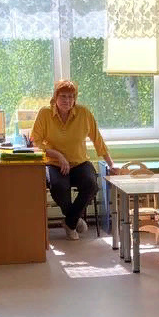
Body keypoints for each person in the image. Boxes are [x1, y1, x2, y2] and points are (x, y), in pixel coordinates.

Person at [31, 80, 116, 240]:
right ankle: (75, 220)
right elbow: (36, 141)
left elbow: (97, 140)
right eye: (63, 96)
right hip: (54, 164)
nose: (67, 100)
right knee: (59, 187)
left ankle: (70, 222)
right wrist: (58, 155)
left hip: (79, 162)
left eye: (71, 97)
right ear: (55, 97)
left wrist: (111, 164)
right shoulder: (45, 113)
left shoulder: (83, 113)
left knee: (91, 185)